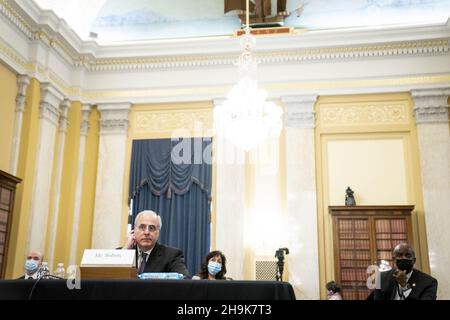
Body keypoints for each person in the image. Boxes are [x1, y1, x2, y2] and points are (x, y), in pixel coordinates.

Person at [122, 210, 190, 277]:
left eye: (151, 228)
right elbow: (112, 279)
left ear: (158, 233)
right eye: (142, 227)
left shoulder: (171, 256)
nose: (146, 232)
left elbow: (184, 279)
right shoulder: (124, 251)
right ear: (134, 230)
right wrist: (125, 250)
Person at [367, 243, 438, 300]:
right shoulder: (381, 278)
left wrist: (405, 286)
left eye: (408, 255)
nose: (404, 258)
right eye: (399, 255)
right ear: (394, 259)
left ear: (414, 260)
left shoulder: (429, 282)